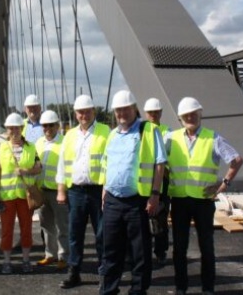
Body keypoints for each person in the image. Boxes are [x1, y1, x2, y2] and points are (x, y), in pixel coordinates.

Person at [167, 97, 243, 295]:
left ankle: (208, 288)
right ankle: (181, 287)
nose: (190, 117)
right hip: (180, 200)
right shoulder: (171, 138)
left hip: (203, 201)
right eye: (186, 115)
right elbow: (159, 163)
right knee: (179, 248)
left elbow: (236, 160)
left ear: (200, 114)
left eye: (193, 113)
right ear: (180, 118)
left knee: (207, 248)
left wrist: (224, 183)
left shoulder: (213, 138)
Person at [100, 90, 166, 295]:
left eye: (126, 109)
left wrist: (155, 195)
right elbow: (106, 165)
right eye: (118, 110)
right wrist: (104, 192)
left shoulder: (148, 130)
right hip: (112, 200)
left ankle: (138, 290)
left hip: (137, 201)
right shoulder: (112, 134)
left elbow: (159, 164)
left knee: (140, 252)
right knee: (110, 250)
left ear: (134, 109)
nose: (122, 113)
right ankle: (109, 290)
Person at [56, 94, 110, 289]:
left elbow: (110, 162)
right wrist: (61, 189)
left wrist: (107, 189)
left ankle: (104, 273)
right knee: (74, 234)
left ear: (93, 112)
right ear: (75, 113)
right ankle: (74, 272)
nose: (84, 115)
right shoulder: (69, 135)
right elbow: (62, 164)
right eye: (80, 112)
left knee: (102, 234)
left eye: (87, 111)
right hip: (75, 192)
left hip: (98, 191)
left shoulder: (106, 132)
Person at [0, 112, 42, 274]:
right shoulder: (2, 148)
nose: (14, 131)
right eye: (10, 128)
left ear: (22, 128)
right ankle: (7, 261)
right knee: (6, 229)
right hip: (7, 196)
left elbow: (38, 168)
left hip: (25, 196)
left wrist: (25, 171)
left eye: (17, 128)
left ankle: (26, 260)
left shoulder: (31, 147)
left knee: (26, 228)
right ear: (7, 130)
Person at [34, 109, 69, 270]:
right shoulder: (39, 143)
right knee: (46, 226)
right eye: (44, 126)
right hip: (42, 191)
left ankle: (64, 256)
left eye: (50, 125)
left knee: (62, 226)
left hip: (58, 191)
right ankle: (50, 255)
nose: (47, 128)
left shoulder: (65, 143)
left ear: (57, 126)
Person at [143, 97, 170, 266]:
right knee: (141, 220)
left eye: (156, 112)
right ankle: (143, 252)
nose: (153, 115)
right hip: (144, 181)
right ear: (146, 113)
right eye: (150, 112)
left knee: (160, 219)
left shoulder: (169, 133)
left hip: (162, 182)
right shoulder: (141, 131)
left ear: (161, 113)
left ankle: (160, 252)